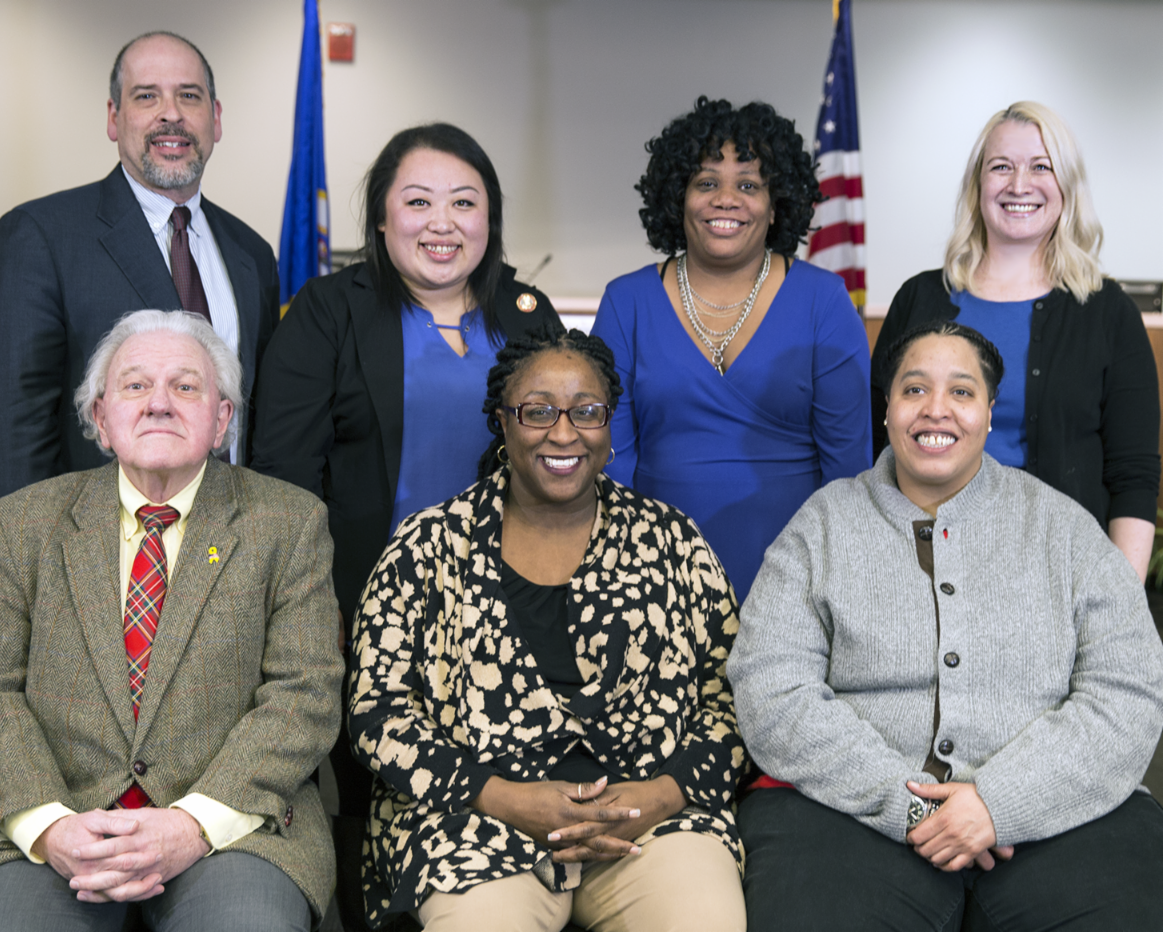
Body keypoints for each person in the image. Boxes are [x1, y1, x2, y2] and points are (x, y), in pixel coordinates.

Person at [729, 320, 1163, 931]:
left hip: (1059, 809)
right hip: (847, 811)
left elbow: (1130, 691)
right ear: (886, 410)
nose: (937, 410)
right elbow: (770, 690)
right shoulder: (820, 525)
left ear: (989, 412)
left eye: (962, 392)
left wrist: (1000, 802)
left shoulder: (1063, 529)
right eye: (913, 390)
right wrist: (905, 805)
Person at [249, 122, 557, 929]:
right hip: (361, 615)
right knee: (368, 802)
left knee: (495, 797)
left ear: (490, 219)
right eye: (417, 201)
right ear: (381, 219)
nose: (442, 222)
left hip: (510, 622)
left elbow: (567, 468)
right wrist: (315, 612)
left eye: (465, 202)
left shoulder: (528, 315)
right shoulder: (327, 312)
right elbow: (284, 481)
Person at [348, 328, 747, 932]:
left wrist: (659, 797)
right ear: (503, 424)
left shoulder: (672, 540)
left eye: (586, 412)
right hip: (475, 823)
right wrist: (500, 796)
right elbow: (377, 714)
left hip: (655, 826)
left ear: (609, 426)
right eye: (538, 412)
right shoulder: (426, 546)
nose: (564, 433)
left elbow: (735, 700)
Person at [0, 310, 342, 931]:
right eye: (135, 386)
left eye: (186, 386)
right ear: (100, 419)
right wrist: (50, 826)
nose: (160, 403)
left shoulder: (290, 522)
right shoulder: (19, 525)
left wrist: (194, 822)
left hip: (233, 828)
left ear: (222, 419)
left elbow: (306, 693)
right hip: (56, 827)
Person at [0, 31, 280, 499]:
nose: (170, 113)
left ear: (215, 119)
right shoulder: (38, 236)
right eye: (146, 95)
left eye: (189, 96)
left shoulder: (252, 253)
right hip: (99, 555)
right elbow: (15, 430)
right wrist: (49, 559)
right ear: (114, 118)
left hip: (233, 549)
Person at [590, 95, 871, 598]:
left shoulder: (823, 301)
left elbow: (848, 474)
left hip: (797, 582)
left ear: (776, 200)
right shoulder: (625, 302)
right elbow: (611, 467)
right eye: (706, 183)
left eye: (748, 184)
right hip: (655, 580)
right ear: (677, 196)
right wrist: (629, 582)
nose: (726, 199)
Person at [871, 101, 1159, 581]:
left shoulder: (1110, 313)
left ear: (1067, 185)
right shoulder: (918, 299)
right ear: (977, 185)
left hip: (1059, 576)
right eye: (1001, 166)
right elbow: (876, 447)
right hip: (921, 569)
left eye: (1041, 167)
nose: (1019, 185)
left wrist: (1119, 608)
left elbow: (1133, 477)